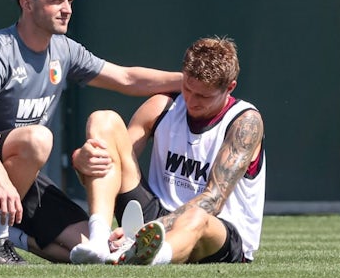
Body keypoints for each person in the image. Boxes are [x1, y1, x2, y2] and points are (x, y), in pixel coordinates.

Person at [0, 0, 182, 264]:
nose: (67, 8)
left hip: (21, 174)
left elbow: (126, 78)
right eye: (57, 1)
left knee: (92, 250)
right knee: (38, 139)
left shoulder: (64, 49)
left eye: (69, 0)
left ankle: (5, 233)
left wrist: (191, 82)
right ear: (27, 4)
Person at [70, 37, 265, 265]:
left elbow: (213, 201)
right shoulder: (162, 106)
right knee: (103, 120)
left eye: (203, 96)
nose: (192, 101)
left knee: (197, 216)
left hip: (214, 229)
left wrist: (146, 233)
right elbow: (111, 169)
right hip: (153, 216)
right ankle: (99, 241)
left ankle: (152, 256)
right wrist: (81, 161)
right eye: (187, 89)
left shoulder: (245, 122)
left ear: (229, 87)